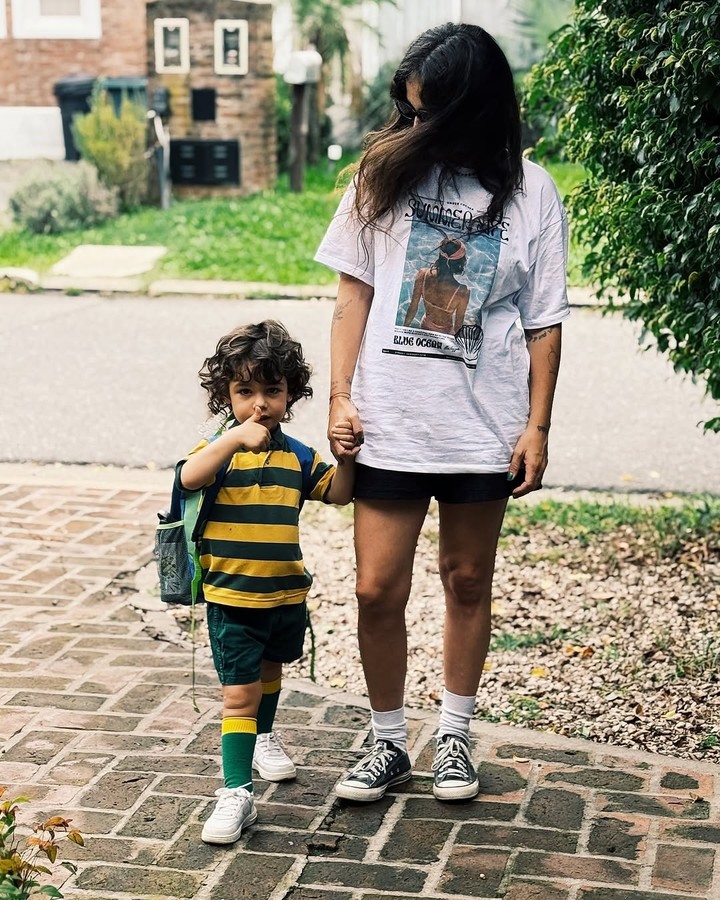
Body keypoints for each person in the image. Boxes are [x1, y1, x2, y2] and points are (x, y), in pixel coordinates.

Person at [316, 22, 569, 803]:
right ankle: (389, 740)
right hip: (390, 419)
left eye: (431, 114)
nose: (416, 127)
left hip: (479, 428)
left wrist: (537, 425)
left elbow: (545, 317)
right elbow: (352, 294)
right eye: (410, 111)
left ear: (475, 108)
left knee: (466, 580)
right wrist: (340, 395)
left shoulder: (533, 190)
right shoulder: (383, 173)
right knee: (373, 590)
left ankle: (455, 735)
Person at [176, 321, 355, 843]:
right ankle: (236, 793)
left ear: (291, 394)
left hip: (284, 593)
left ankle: (265, 736)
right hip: (231, 596)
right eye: (245, 391)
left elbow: (339, 494)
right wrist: (233, 439)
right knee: (238, 696)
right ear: (225, 394)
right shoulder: (217, 448)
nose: (260, 403)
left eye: (272, 391)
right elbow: (187, 477)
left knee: (271, 672)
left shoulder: (297, 455)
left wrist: (347, 459)